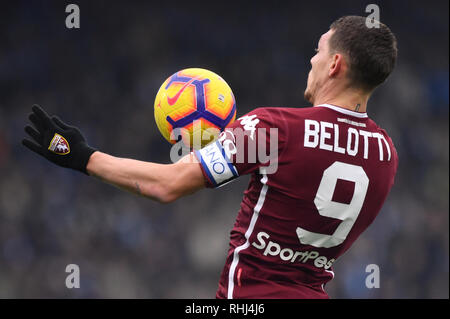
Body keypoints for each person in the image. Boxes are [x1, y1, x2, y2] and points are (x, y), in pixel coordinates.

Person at [22, 15, 398, 299]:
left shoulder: (276, 129)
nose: (312, 60)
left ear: (334, 65)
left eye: (319, 51)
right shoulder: (386, 154)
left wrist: (82, 156)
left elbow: (167, 185)